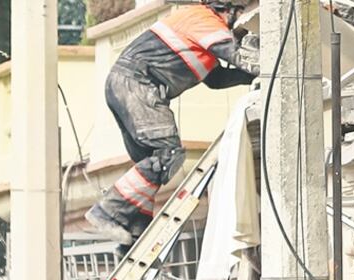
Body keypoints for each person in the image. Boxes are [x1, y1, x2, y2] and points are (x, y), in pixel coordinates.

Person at [85, 0, 258, 242]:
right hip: (138, 85)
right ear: (227, 9)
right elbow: (236, 55)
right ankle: (107, 211)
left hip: (127, 85)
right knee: (168, 154)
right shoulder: (203, 19)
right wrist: (268, 62)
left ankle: (135, 230)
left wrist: (249, 77)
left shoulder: (200, 31)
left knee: (152, 164)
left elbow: (216, 79)